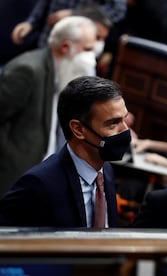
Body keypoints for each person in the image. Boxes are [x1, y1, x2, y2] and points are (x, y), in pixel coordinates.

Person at [0, 76, 131, 227]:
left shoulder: (105, 171)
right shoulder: (39, 186)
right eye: (113, 123)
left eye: (124, 119)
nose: (125, 130)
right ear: (78, 129)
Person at [0, 16, 98, 195]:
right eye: (87, 49)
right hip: (11, 181)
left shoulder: (61, 72)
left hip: (38, 180)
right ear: (65, 47)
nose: (92, 58)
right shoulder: (27, 70)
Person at [11, 0, 126, 48]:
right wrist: (31, 22)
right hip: (48, 41)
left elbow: (117, 10)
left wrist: (74, 14)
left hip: (80, 48)